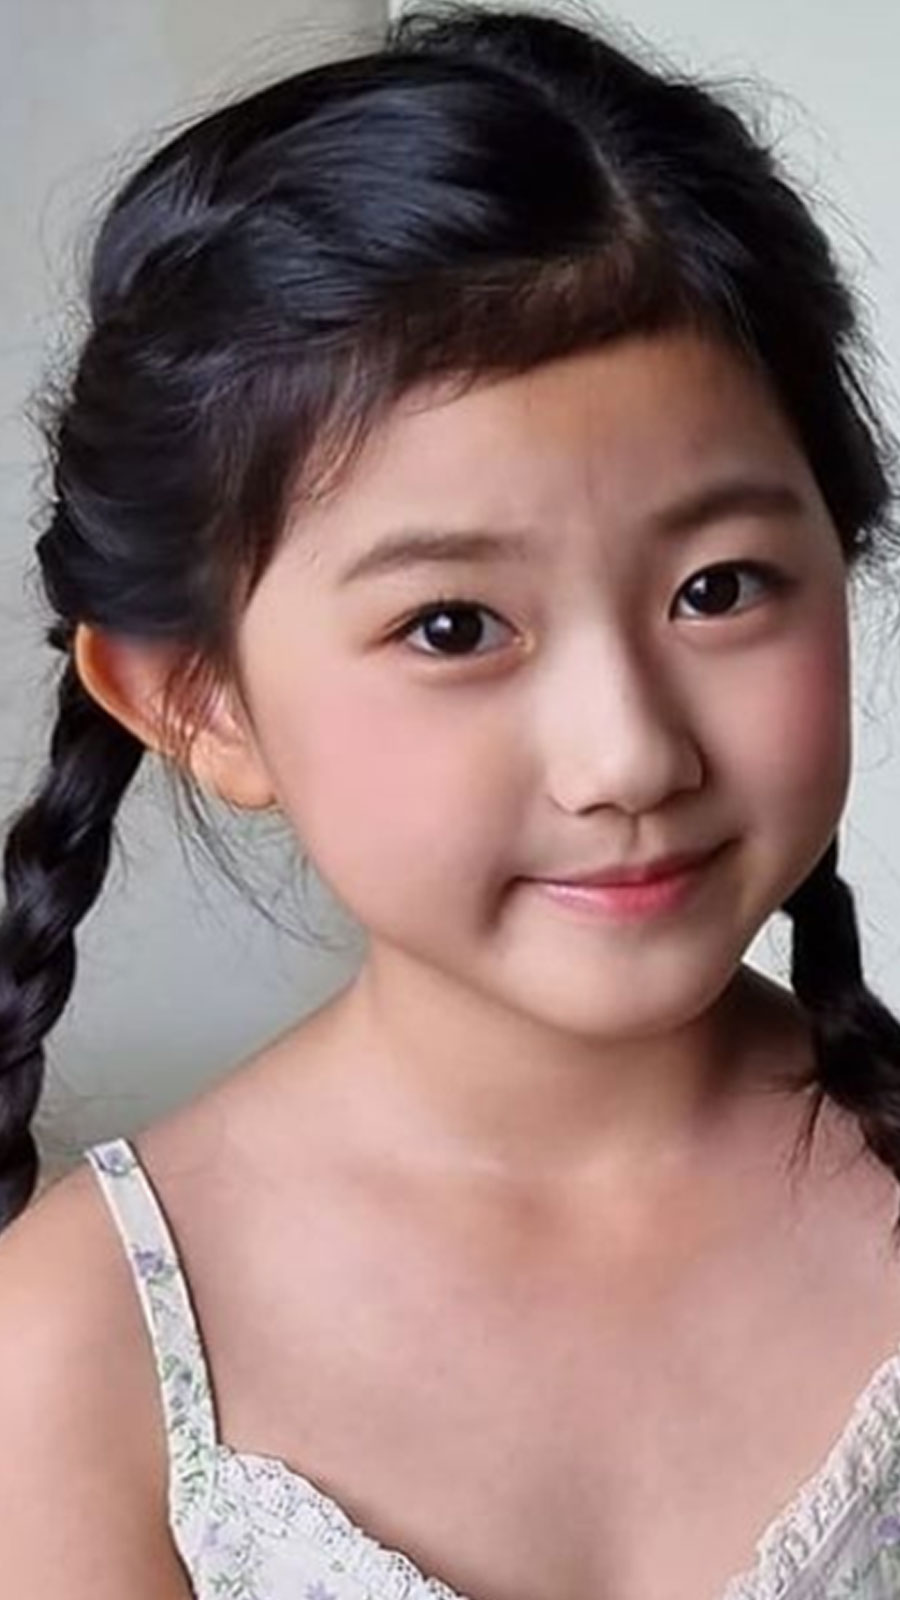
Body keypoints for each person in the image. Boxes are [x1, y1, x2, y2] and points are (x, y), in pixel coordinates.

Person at [2, 1, 900, 1595]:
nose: (629, 756)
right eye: (453, 627)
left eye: (719, 587)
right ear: (199, 700)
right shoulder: (80, 1355)